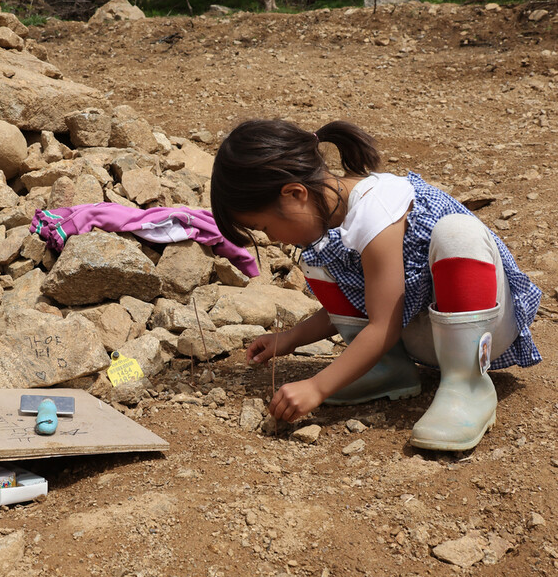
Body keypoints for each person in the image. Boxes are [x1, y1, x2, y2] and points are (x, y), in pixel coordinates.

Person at [210, 119, 541, 451]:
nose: (273, 239)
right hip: (423, 335)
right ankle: (385, 370)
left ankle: (467, 387)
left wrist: (318, 386)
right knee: (318, 256)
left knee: (457, 232)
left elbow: (383, 324)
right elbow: (368, 302)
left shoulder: (376, 208)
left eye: (265, 227)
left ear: (294, 194)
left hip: (481, 330)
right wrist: (292, 338)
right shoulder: (332, 221)